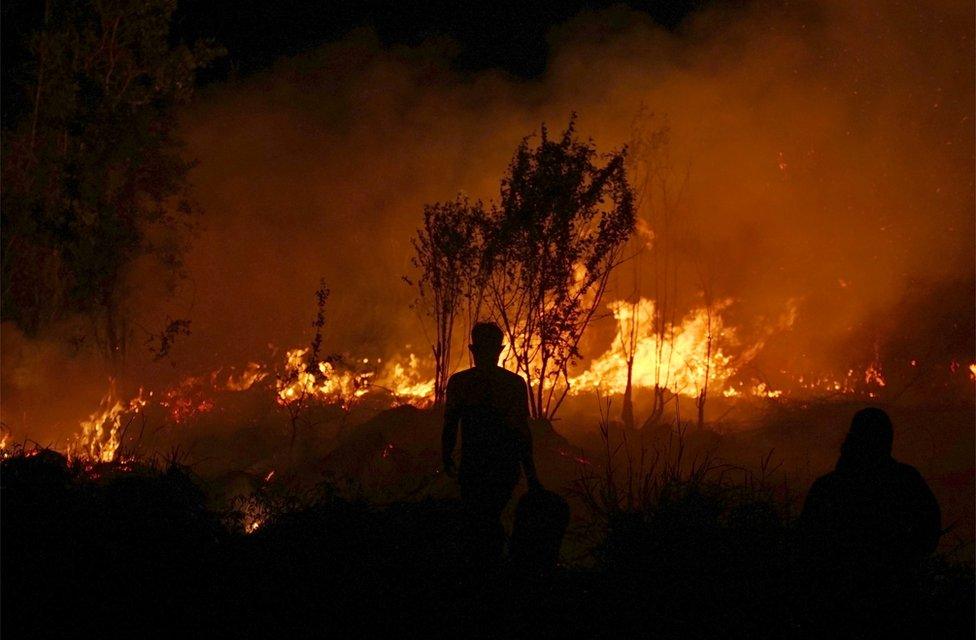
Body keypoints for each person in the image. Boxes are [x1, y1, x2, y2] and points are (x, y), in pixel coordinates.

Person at [799, 407, 941, 630]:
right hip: (893, 597)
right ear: (887, 440)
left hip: (840, 601)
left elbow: (806, 542)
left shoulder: (828, 487)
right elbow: (931, 527)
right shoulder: (905, 480)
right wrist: (907, 559)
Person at [442, 322, 542, 564]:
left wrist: (446, 455)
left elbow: (450, 423)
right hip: (502, 469)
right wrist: (531, 475)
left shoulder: (460, 383)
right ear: (501, 349)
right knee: (488, 521)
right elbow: (521, 431)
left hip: (474, 468)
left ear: (472, 349)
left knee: (479, 522)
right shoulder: (512, 384)